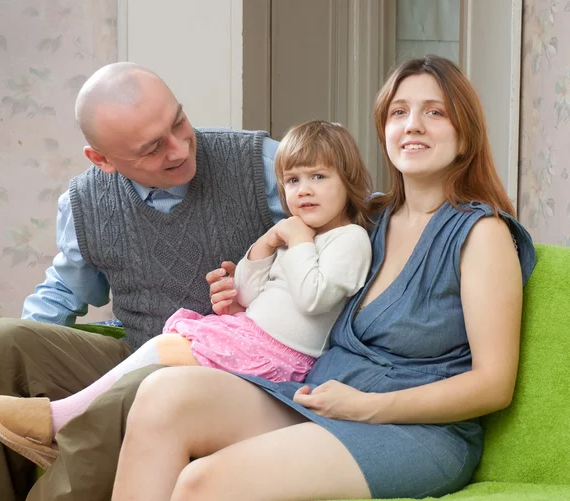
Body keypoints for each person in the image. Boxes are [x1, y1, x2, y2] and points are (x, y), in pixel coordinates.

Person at [106, 55, 536, 501]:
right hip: (320, 397)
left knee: (202, 483)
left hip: (415, 432)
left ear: (465, 134)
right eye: (398, 112)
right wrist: (249, 297)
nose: (413, 125)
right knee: (161, 396)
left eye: (435, 111)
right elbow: (313, 291)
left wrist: (369, 407)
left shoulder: (482, 234)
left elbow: (493, 385)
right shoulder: (370, 220)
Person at [0, 61, 287, 501]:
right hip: (140, 353)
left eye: (179, 122)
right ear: (101, 159)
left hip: (244, 376)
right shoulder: (85, 202)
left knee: (150, 384)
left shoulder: (263, 164)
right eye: (153, 148)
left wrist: (261, 284)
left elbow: (351, 235)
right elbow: (64, 291)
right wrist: (31, 349)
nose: (178, 149)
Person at [0, 120, 373, 465]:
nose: (303, 191)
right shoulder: (85, 200)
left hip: (280, 357)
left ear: (347, 179)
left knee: (159, 359)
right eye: (293, 181)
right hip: (252, 336)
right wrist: (263, 248)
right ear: (103, 159)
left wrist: (299, 240)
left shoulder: (348, 238)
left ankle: (57, 421)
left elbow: (314, 298)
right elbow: (252, 293)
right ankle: (55, 426)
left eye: (318, 177)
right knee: (157, 348)